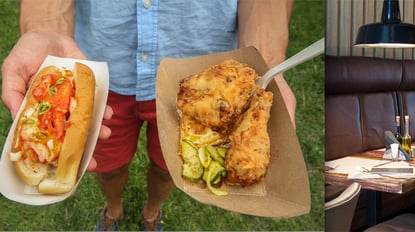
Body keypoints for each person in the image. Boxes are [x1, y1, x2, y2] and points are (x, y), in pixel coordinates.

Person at [1, 0, 296, 231]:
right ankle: (113, 209)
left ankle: (152, 211)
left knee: (167, 167)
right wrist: (47, 28)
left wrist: (265, 59)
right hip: (103, 68)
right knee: (108, 167)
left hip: (199, 79)